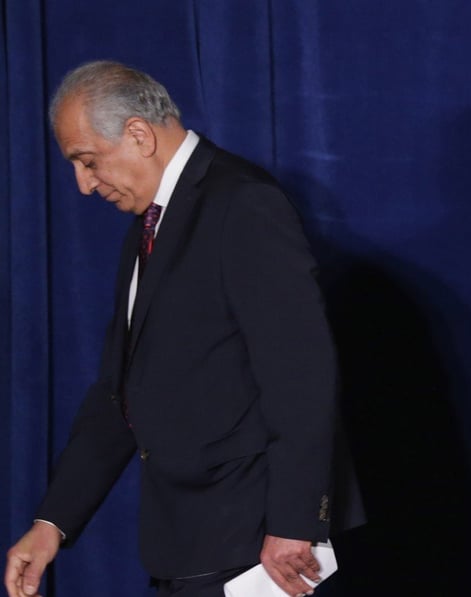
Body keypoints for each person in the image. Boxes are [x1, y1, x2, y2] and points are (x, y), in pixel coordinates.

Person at [5, 61, 347, 597]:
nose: (84, 185)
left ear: (139, 134)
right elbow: (120, 393)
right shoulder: (148, 228)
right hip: (186, 545)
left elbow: (301, 377)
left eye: (87, 161)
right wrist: (52, 524)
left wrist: (295, 524)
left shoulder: (243, 202)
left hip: (257, 548)